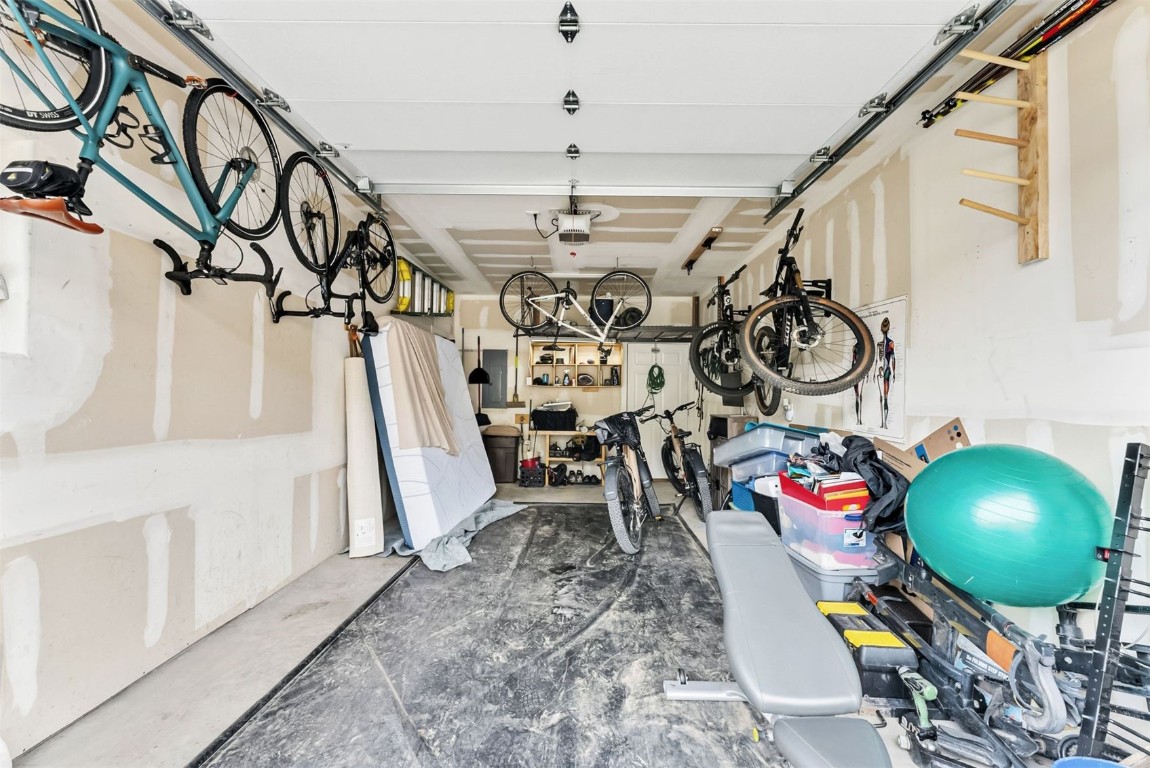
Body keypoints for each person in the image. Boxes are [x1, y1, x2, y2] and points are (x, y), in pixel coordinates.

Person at [878, 316, 896, 429]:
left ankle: (884, 423)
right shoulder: (880, 344)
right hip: (881, 371)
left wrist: (893, 372)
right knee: (882, 397)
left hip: (886, 371)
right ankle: (882, 422)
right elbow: (876, 360)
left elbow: (893, 358)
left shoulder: (890, 343)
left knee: (885, 397)